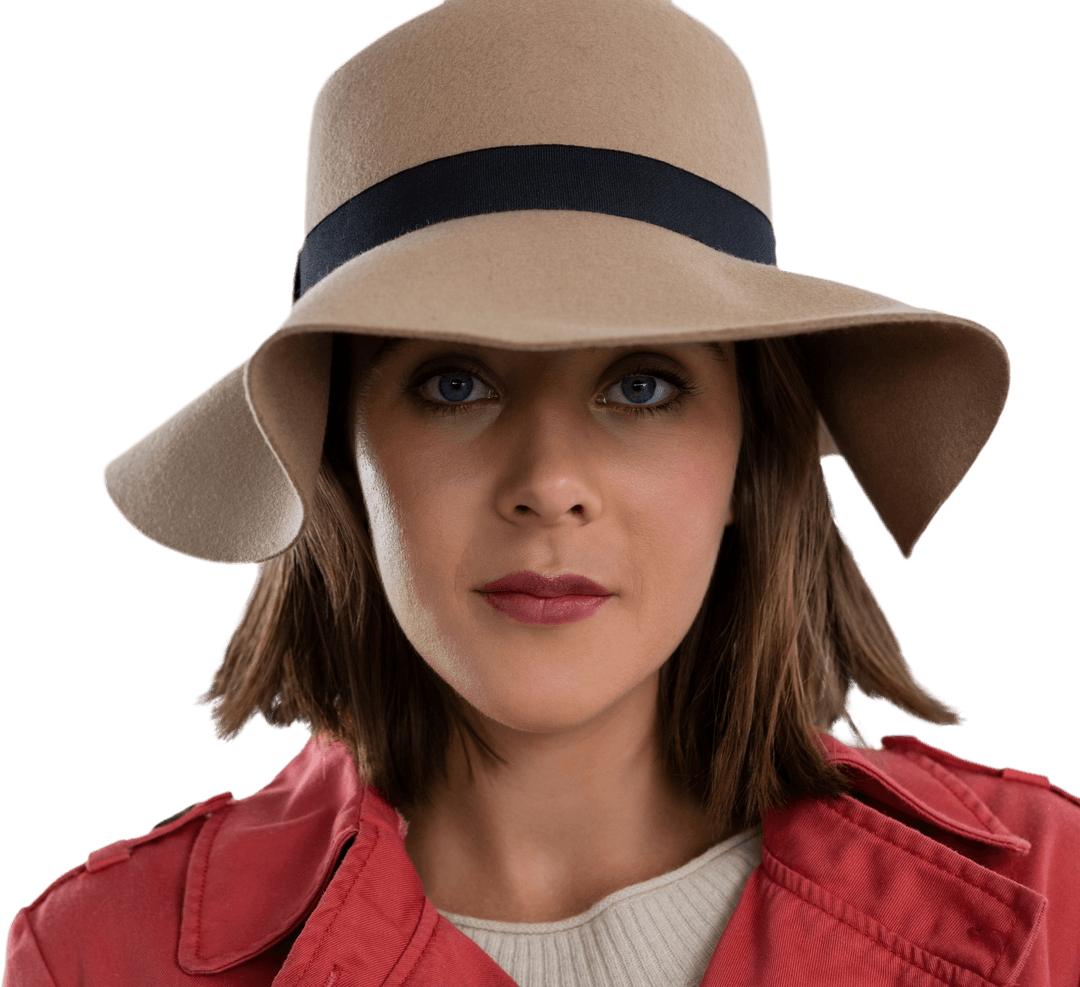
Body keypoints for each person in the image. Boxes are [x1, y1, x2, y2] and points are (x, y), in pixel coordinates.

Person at [5, 0, 1078, 984]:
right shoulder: (103, 958)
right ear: (337, 456)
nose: (549, 485)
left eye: (644, 385)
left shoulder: (1060, 899)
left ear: (756, 456)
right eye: (455, 384)